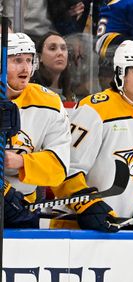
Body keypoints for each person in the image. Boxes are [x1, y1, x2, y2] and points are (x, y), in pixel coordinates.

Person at [50, 40, 133, 231]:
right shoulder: (94, 110)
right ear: (121, 73)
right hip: (77, 226)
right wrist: (87, 205)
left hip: (124, 225)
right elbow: (64, 167)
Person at [2, 32, 71, 228]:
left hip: (24, 208)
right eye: (17, 60)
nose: (25, 68)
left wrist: (21, 161)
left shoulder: (48, 102)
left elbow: (58, 168)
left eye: (29, 60)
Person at [31, 31, 75, 102]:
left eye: (63, 48)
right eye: (52, 48)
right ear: (40, 57)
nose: (60, 53)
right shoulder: (30, 93)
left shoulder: (72, 94)